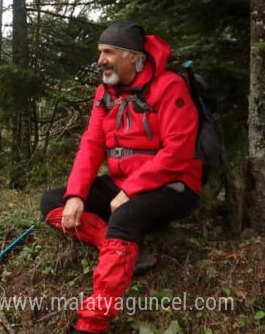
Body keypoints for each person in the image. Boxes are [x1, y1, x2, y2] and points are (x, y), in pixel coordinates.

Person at [39, 21, 201, 334]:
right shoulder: (105, 92)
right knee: (51, 202)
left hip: (173, 185)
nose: (100, 60)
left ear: (133, 57)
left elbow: (178, 152)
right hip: (123, 183)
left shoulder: (170, 87)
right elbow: (91, 145)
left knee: (124, 218)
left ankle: (92, 323)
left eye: (108, 52)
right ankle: (119, 250)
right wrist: (75, 194)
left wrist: (132, 189)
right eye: (100, 52)